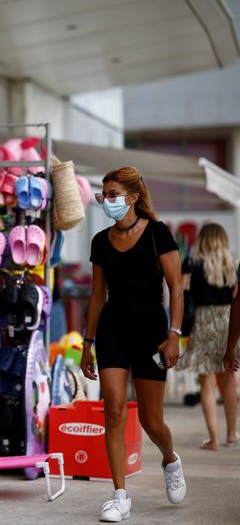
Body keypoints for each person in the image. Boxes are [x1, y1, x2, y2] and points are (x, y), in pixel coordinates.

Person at [81, 166, 185, 523]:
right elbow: (96, 297)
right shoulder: (99, 241)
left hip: (152, 332)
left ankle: (170, 460)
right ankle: (120, 496)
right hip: (112, 329)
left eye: (112, 194)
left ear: (133, 197)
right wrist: (87, 343)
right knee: (113, 410)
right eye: (103, 194)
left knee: (151, 421)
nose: (106, 200)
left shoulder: (158, 234)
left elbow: (176, 287)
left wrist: (174, 334)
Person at [177, 224, 238, 449]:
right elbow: (236, 298)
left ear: (202, 239)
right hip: (226, 320)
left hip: (202, 321)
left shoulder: (192, 263)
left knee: (207, 383)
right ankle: (231, 434)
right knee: (228, 379)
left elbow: (181, 293)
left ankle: (213, 439)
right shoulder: (231, 264)